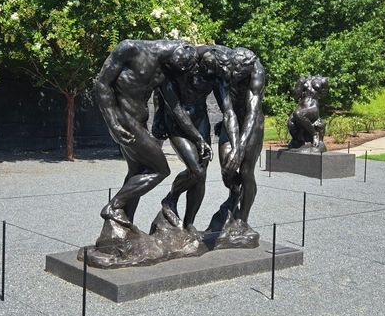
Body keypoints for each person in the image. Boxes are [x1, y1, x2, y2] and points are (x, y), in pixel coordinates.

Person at [94, 39, 200, 235]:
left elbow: (175, 107)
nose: (179, 70)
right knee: (160, 170)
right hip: (126, 123)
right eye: (181, 65)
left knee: (137, 174)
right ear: (178, 49)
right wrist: (113, 124)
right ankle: (113, 206)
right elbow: (102, 84)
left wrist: (198, 138)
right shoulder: (130, 49)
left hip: (139, 124)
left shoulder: (165, 69)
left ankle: (124, 225)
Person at [153, 45, 237, 233]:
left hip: (200, 120)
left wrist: (235, 146)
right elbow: (176, 109)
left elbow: (228, 111)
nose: (207, 75)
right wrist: (198, 139)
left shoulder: (216, 70)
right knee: (196, 170)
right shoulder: (178, 64)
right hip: (176, 123)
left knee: (201, 177)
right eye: (205, 70)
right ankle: (170, 198)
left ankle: (189, 223)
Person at [207, 46, 266, 246]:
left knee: (247, 171)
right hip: (231, 119)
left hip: (252, 123)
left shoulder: (257, 71)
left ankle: (243, 218)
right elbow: (228, 110)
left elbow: (252, 111)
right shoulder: (225, 69)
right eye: (234, 71)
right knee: (227, 165)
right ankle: (234, 194)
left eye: (240, 73)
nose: (235, 76)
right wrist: (234, 146)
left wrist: (241, 147)